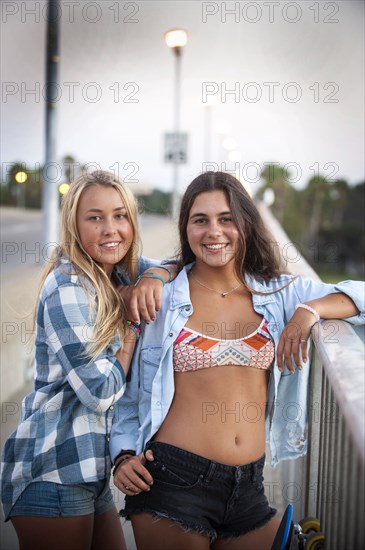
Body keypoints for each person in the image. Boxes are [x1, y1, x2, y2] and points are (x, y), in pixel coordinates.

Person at [111, 171, 365, 550]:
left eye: (226, 219)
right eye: (201, 220)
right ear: (187, 229)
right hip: (171, 483)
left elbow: (359, 295)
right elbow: (132, 393)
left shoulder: (279, 292)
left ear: (245, 223)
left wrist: (309, 311)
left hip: (249, 489)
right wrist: (123, 455)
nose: (214, 231)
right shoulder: (162, 298)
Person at [0, 170, 176, 550]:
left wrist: (155, 278)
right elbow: (99, 390)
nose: (110, 228)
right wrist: (132, 323)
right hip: (52, 470)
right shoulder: (67, 288)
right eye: (95, 217)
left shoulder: (120, 271)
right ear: (74, 225)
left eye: (120, 215)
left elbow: (182, 266)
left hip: (89, 471)